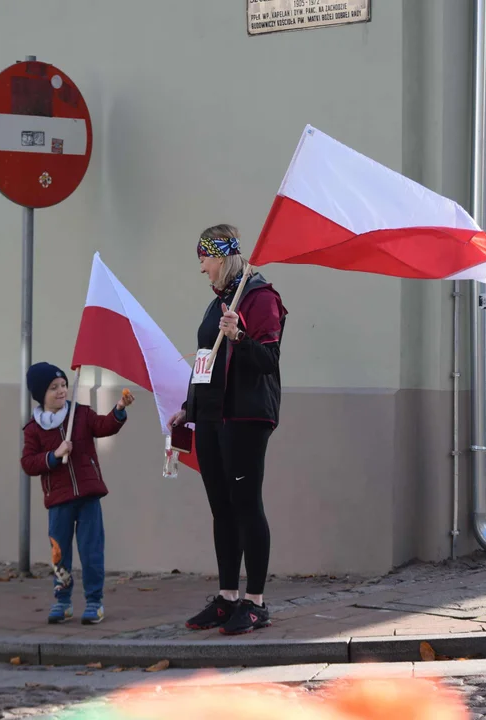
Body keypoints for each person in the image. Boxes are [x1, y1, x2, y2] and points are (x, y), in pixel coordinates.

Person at [168, 224, 288, 635]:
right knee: (222, 508)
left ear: (220, 257)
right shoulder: (217, 303)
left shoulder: (260, 299)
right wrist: (189, 408)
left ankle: (255, 602)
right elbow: (206, 360)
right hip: (212, 416)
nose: (201, 268)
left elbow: (267, 361)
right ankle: (227, 598)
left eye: (203, 258)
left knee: (245, 505)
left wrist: (238, 336)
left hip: (246, 417)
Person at [21, 362, 134, 625]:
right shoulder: (33, 429)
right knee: (60, 554)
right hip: (58, 501)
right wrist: (53, 455)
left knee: (91, 550)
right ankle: (63, 601)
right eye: (53, 388)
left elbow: (104, 426)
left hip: (88, 496)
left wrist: (118, 410)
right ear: (40, 394)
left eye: (63, 385)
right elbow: (28, 463)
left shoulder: (80, 414)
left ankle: (94, 602)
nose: (61, 391)